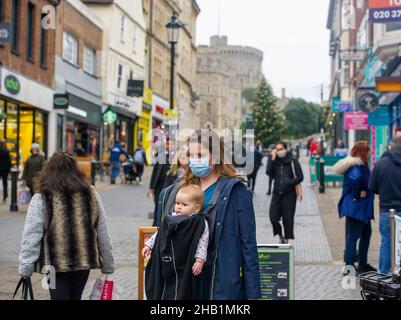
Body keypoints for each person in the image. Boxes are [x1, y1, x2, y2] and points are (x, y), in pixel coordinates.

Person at [156, 129, 261, 300]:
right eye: (192, 155)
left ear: (216, 156)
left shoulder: (236, 192)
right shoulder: (176, 190)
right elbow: (162, 237)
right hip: (183, 281)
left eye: (200, 154)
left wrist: (252, 292)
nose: (195, 160)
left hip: (219, 280)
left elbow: (248, 244)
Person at [18, 150, 114, 300]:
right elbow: (102, 230)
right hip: (83, 262)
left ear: (49, 171)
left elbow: (32, 234)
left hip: (53, 265)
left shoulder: (42, 197)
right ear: (76, 170)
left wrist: (26, 266)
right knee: (75, 297)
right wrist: (108, 263)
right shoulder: (91, 194)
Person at [144, 184, 209, 300]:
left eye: (184, 205)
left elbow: (203, 242)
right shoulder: (169, 219)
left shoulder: (198, 222)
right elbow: (159, 234)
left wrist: (200, 260)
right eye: (177, 203)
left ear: (197, 207)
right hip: (166, 261)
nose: (178, 207)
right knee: (165, 286)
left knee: (183, 289)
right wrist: (149, 245)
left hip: (185, 263)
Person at [333, 141, 376, 275]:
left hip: (361, 208)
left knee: (365, 234)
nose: (370, 153)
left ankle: (362, 263)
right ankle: (349, 267)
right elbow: (356, 180)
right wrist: (358, 194)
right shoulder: (357, 166)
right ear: (363, 152)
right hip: (357, 208)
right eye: (368, 151)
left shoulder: (360, 165)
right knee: (353, 237)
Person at [369, 137, 401, 274]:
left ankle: (384, 274)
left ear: (390, 147)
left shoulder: (381, 164)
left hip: (386, 210)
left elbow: (372, 187)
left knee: (387, 242)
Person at [266, 141, 304, 244]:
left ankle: (286, 240)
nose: (279, 151)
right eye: (277, 149)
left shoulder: (293, 160)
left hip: (289, 194)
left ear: (286, 149)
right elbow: (268, 172)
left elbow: (300, 177)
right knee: (273, 216)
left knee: (288, 218)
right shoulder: (274, 160)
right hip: (277, 192)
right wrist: (272, 159)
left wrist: (289, 182)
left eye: (281, 149)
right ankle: (280, 234)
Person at [148, 139, 174, 226]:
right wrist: (151, 188)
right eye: (168, 144)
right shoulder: (161, 155)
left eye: (171, 144)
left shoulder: (176, 157)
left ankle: (163, 226)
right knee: (158, 207)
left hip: (169, 186)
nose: (170, 146)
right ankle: (155, 226)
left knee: (167, 207)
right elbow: (155, 172)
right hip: (159, 186)